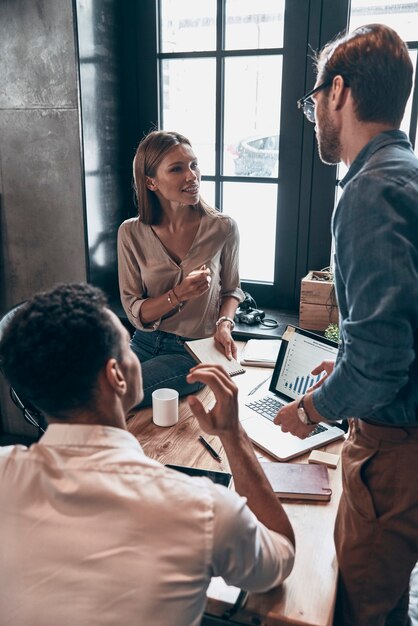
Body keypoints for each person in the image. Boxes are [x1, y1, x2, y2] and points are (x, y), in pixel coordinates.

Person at [0, 283, 295, 626]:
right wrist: (233, 434)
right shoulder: (202, 509)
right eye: (128, 346)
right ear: (116, 376)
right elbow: (281, 558)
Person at [274, 24, 418, 626]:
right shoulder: (406, 172)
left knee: (359, 609)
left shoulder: (366, 192)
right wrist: (353, 363)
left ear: (338, 92)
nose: (313, 117)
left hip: (393, 447)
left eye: (313, 101)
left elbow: (383, 362)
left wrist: (308, 411)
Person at [118, 130, 244, 407]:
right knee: (88, 390)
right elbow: (134, 309)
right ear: (151, 182)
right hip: (142, 343)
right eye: (177, 169)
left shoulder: (222, 227)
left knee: (116, 397)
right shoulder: (130, 232)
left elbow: (232, 289)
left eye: (194, 164)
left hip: (192, 350)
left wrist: (224, 324)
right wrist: (180, 293)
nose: (192, 176)